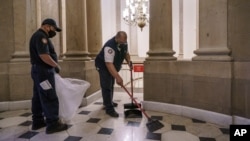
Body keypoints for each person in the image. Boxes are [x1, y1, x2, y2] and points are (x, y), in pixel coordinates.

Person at [29, 18, 68, 134]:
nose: (54, 31)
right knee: (49, 95)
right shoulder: (42, 37)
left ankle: (38, 121)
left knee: (38, 96)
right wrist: (55, 65)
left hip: (38, 71)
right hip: (44, 71)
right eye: (53, 28)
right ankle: (53, 124)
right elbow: (44, 55)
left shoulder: (36, 36)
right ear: (47, 26)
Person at [95, 31, 132, 117]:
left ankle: (108, 101)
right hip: (103, 66)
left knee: (111, 84)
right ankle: (109, 109)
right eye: (122, 42)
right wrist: (118, 77)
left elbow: (126, 53)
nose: (124, 43)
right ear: (117, 38)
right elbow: (108, 64)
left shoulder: (124, 43)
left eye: (125, 42)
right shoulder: (109, 47)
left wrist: (129, 62)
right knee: (106, 86)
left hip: (112, 65)